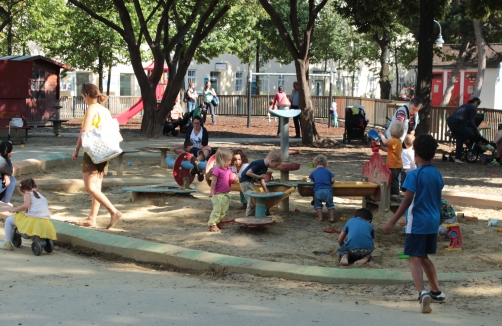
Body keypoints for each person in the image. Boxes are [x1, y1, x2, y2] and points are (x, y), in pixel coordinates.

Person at [383, 135, 445, 314]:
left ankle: (422, 292)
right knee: (424, 256)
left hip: (417, 222)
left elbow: (406, 201)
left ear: (415, 153)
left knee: (414, 257)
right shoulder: (436, 174)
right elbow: (438, 198)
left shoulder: (414, 175)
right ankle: (436, 291)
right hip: (432, 222)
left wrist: (392, 221)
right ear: (433, 154)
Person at [71, 83, 123, 229]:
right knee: (97, 186)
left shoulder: (91, 109)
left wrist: (76, 149)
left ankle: (113, 211)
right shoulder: (104, 110)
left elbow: (85, 131)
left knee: (90, 188)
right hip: (105, 151)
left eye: (83, 96)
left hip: (93, 151)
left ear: (86, 95)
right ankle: (92, 218)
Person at [0, 178, 56, 251]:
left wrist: (13, 210)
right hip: (44, 220)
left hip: (34, 220)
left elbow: (25, 206)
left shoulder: (27, 193)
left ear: (23, 189)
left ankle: (7, 243)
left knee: (9, 220)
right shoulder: (39, 195)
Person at [239, 149, 283, 217]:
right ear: (272, 160)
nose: (276, 167)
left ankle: (256, 215)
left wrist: (265, 190)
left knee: (254, 200)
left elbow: (262, 179)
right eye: (276, 165)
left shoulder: (265, 167)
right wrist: (258, 176)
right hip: (245, 182)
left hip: (250, 182)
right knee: (252, 201)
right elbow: (248, 173)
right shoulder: (259, 164)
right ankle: (249, 217)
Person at [446, 97, 484, 164]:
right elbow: (471, 122)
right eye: (478, 103)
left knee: (459, 139)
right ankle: (462, 138)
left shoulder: (464, 105)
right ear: (475, 102)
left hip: (450, 121)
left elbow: (464, 120)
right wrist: (476, 128)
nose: (478, 105)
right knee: (471, 135)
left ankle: (458, 158)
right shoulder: (472, 108)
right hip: (457, 122)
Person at [208, 148, 234, 232]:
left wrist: (235, 178)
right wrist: (212, 191)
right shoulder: (217, 169)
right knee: (217, 209)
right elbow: (214, 181)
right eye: (228, 160)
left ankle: (219, 221)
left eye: (230, 160)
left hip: (226, 193)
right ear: (222, 160)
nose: (230, 162)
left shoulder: (229, 169)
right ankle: (212, 224)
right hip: (218, 194)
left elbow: (231, 177)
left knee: (224, 209)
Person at [379, 123, 405, 199]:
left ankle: (396, 193)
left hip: (394, 165)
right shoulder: (398, 141)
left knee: (394, 180)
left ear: (391, 132)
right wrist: (381, 147)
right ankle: (392, 193)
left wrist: (381, 135)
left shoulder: (393, 141)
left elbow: (385, 142)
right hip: (397, 165)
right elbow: (389, 150)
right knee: (392, 179)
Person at [308, 154, 335, 222]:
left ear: (315, 163)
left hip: (318, 191)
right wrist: (330, 183)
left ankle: (320, 218)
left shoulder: (314, 172)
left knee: (318, 205)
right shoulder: (328, 171)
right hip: (328, 191)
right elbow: (333, 180)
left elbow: (311, 182)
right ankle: (331, 218)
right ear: (325, 164)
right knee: (330, 205)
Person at [0, 141, 16, 206]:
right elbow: (9, 171)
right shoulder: (1, 161)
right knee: (12, 179)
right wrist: (8, 159)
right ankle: (5, 202)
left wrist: (5, 175)